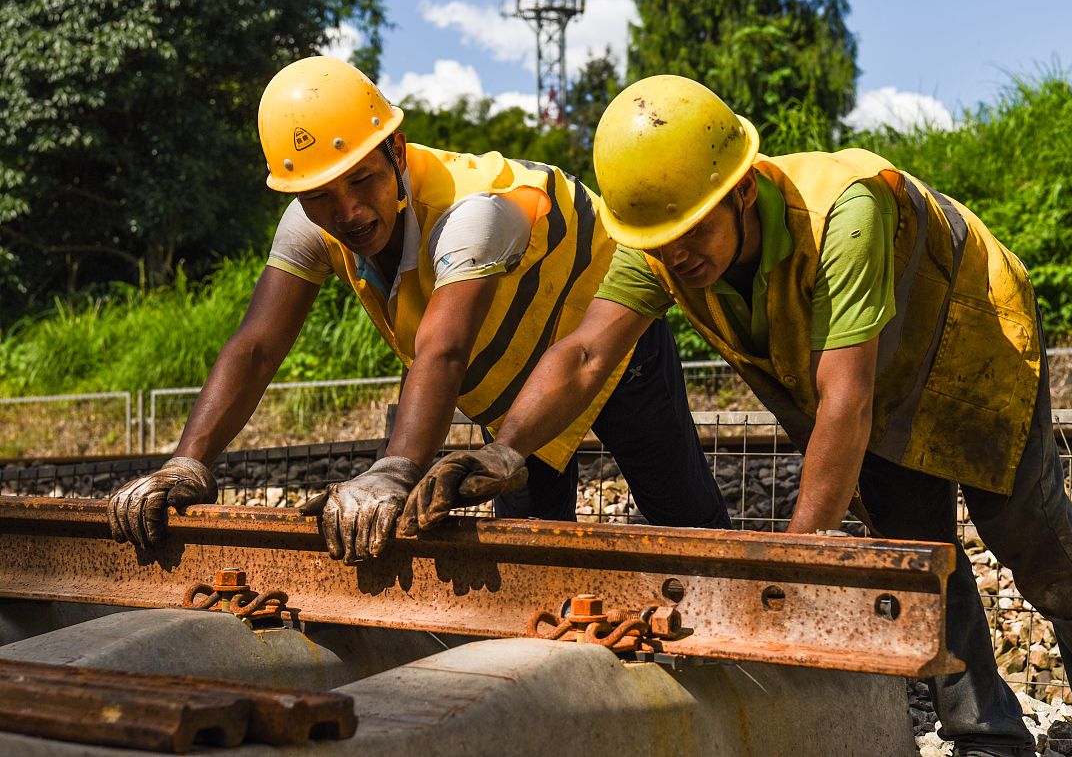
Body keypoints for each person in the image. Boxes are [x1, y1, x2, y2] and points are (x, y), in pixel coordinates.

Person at [409, 75, 1072, 757]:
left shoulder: (843, 216)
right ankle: (987, 737)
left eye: (692, 233)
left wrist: (796, 559)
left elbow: (845, 399)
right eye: (662, 242)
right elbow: (584, 352)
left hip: (965, 333)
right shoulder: (656, 243)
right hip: (861, 373)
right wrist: (506, 452)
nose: (678, 257)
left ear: (741, 189)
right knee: (917, 559)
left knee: (1037, 543)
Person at [106, 58, 728, 563]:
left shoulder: (474, 214)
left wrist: (393, 474)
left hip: (609, 347)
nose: (347, 211)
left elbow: (443, 349)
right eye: (320, 196)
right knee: (530, 547)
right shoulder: (311, 222)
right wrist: (188, 460)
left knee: (683, 516)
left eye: (362, 181)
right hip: (508, 384)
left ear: (396, 153)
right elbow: (256, 345)